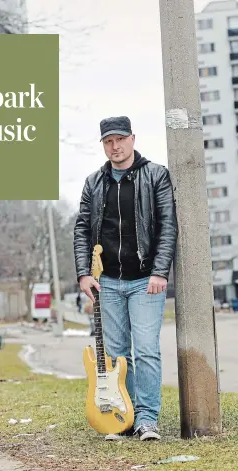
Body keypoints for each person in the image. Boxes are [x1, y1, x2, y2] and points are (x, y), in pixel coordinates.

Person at [73, 116, 178, 441]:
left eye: (120, 139)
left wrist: (160, 271)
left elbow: (167, 226)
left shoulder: (155, 175)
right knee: (118, 355)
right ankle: (125, 417)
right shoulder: (94, 182)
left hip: (146, 279)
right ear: (103, 145)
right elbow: (81, 229)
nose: (114, 147)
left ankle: (147, 419)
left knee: (146, 349)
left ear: (132, 138)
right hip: (108, 283)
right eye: (108, 141)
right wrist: (83, 274)